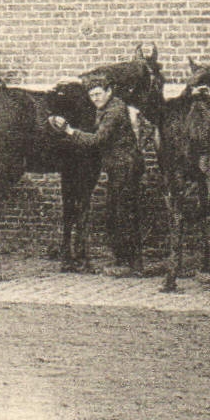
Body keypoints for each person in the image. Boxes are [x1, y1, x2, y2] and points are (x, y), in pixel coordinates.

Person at [49, 74, 145, 276]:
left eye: (99, 94)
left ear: (109, 92)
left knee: (122, 212)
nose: (95, 99)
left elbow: (97, 140)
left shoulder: (114, 111)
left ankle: (132, 264)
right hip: (118, 166)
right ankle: (126, 261)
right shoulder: (106, 107)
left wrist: (69, 130)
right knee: (117, 211)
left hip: (125, 165)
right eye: (92, 95)